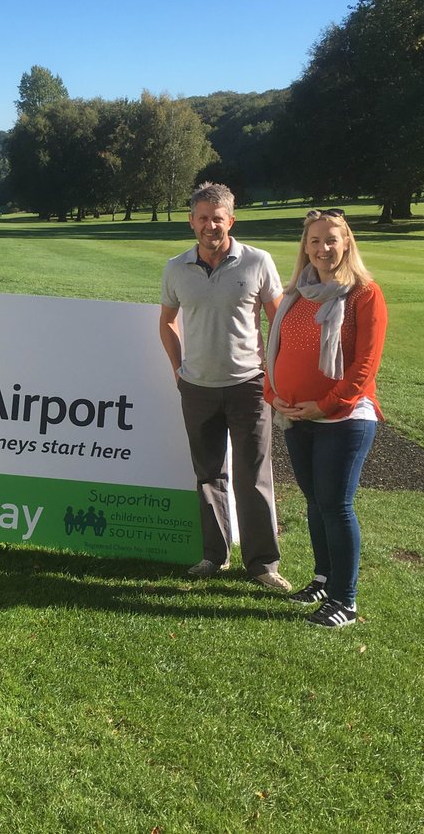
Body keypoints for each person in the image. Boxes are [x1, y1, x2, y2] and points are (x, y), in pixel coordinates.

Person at [159, 181, 291, 591]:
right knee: (208, 474)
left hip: (248, 385)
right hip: (196, 388)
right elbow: (166, 322)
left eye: (218, 218)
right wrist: (178, 370)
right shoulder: (176, 267)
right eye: (202, 218)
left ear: (230, 220)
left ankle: (263, 564)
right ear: (191, 222)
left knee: (252, 475)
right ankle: (215, 557)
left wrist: (273, 373)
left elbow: (279, 321)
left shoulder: (258, 261)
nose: (210, 226)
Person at [265, 209, 388, 627]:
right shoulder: (296, 294)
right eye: (314, 241)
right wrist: (273, 395)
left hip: (346, 418)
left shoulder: (364, 294)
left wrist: (328, 404)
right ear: (306, 247)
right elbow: (275, 353)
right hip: (297, 417)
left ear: (347, 244)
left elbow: (365, 365)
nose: (322, 248)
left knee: (336, 504)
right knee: (316, 502)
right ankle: (322, 579)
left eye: (331, 240)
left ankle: (344, 600)